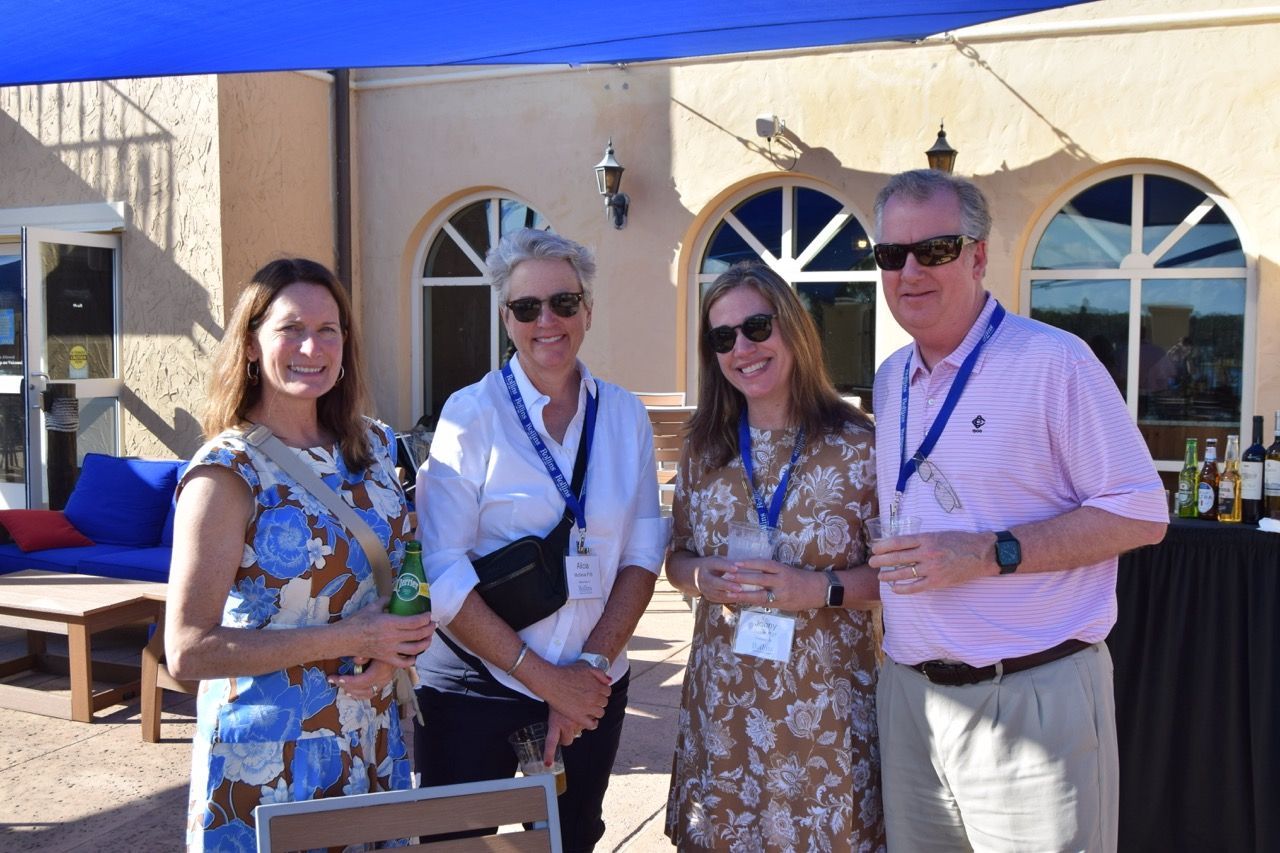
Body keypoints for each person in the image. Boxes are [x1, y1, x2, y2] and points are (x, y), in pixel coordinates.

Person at [867, 170, 1168, 852]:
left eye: (934, 249)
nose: (909, 270)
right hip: (912, 699)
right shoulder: (891, 379)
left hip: (1032, 697)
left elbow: (1141, 512)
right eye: (891, 254)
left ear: (978, 255)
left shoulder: (1053, 361)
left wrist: (988, 551)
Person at [165, 257, 435, 851]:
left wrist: (394, 651)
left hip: (371, 740)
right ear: (253, 345)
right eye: (291, 328)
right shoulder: (227, 472)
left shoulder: (373, 446)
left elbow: (400, 576)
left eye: (328, 329)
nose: (312, 346)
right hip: (270, 763)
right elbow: (186, 651)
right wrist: (355, 638)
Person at [414, 228, 668, 853]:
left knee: (569, 839)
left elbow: (641, 556)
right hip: (476, 683)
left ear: (588, 310)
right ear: (506, 318)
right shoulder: (469, 413)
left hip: (594, 683)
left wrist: (584, 672)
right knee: (457, 846)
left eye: (562, 302)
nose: (546, 320)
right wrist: (544, 679)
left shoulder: (625, 414)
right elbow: (442, 570)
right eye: (527, 308)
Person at [664, 262, 886, 852]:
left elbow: (897, 576)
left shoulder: (859, 446)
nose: (742, 348)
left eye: (757, 327)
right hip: (726, 705)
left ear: (792, 330)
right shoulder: (702, 445)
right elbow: (677, 555)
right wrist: (699, 578)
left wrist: (817, 589)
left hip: (828, 709)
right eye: (723, 337)